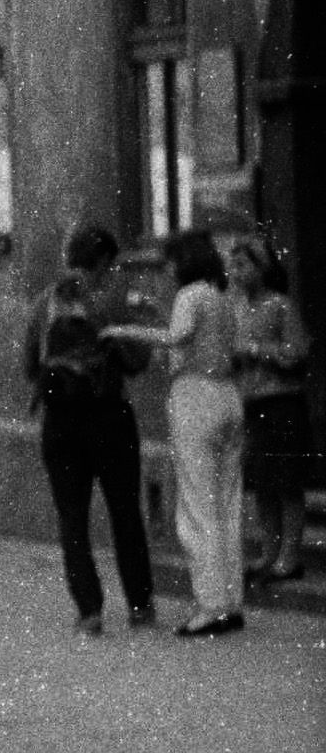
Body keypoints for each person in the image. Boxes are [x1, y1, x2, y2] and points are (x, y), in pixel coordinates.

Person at [105, 227, 245, 636]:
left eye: (170, 262)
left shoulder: (189, 295)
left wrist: (122, 330)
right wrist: (155, 312)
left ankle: (210, 605)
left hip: (195, 397)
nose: (167, 269)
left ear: (184, 261)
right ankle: (231, 600)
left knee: (197, 507)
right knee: (227, 503)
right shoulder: (221, 297)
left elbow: (176, 337)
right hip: (228, 395)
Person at [24, 226, 157, 637]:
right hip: (109, 417)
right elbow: (137, 361)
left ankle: (89, 611)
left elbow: (30, 365)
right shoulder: (112, 302)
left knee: (72, 518)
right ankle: (139, 605)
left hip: (60, 422)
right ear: (103, 261)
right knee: (125, 512)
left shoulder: (45, 303)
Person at [232, 235, 310, 582]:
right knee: (262, 483)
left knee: (286, 481)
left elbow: (296, 352)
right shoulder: (236, 308)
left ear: (262, 268)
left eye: (242, 265)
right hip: (250, 404)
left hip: (281, 402)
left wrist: (255, 350)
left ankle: (289, 558)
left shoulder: (280, 306)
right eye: (232, 266)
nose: (235, 273)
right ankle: (269, 551)